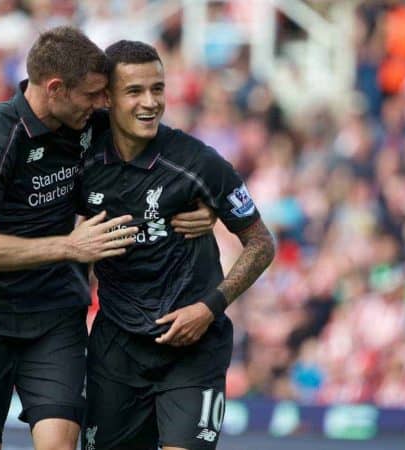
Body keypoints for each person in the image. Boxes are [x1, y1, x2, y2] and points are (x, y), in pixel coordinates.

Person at [0, 27, 215, 450]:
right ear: (55, 89)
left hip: (54, 313)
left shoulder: (89, 123)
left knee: (61, 445)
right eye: (91, 94)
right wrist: (70, 246)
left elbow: (170, 159)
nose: (101, 103)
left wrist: (207, 201)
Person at [78, 41, 275, 450]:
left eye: (158, 89)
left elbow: (260, 243)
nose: (150, 103)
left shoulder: (198, 163)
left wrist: (210, 307)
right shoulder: (80, 155)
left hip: (194, 349)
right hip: (117, 347)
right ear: (107, 98)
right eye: (135, 91)